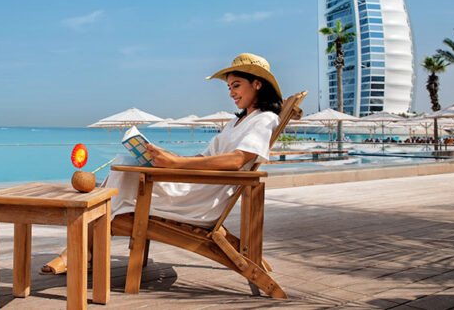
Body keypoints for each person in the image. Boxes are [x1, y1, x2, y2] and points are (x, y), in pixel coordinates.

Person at [40, 53, 283, 274]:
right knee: (125, 164)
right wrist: (169, 157)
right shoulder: (237, 122)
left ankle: (81, 250)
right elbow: (202, 158)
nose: (231, 93)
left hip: (202, 199)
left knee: (123, 173)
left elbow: (238, 159)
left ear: (257, 84)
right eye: (229, 87)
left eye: (236, 86)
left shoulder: (265, 119)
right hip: (199, 187)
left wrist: (175, 164)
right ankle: (84, 250)